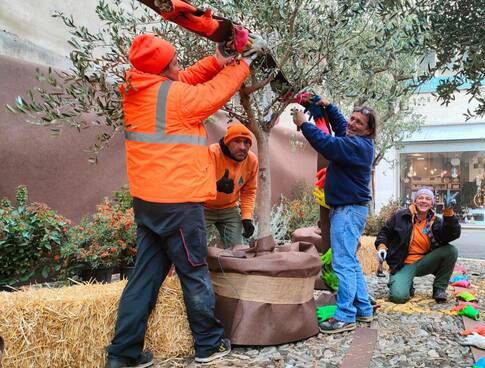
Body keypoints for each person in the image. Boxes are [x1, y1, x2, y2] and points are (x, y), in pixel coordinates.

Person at [106, 33, 263, 368]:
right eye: (174, 62)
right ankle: (208, 343)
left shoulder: (137, 89)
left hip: (149, 203)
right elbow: (213, 93)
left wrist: (217, 60)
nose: (180, 66)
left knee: (144, 278)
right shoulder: (175, 98)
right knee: (194, 272)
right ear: (161, 71)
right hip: (179, 204)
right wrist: (242, 64)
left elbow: (183, 79)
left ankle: (123, 354)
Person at [293, 97, 376, 334]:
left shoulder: (357, 146)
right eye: (352, 118)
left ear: (368, 129)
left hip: (348, 211)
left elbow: (327, 144)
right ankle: (363, 309)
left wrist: (304, 124)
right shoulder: (355, 139)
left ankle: (345, 316)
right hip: (349, 209)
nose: (352, 123)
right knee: (349, 261)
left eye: (359, 122)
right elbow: (341, 126)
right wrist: (329, 107)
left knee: (342, 263)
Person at [375, 187, 461, 304]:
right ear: (415, 201)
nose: (423, 201)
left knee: (451, 251)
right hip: (403, 263)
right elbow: (384, 233)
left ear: (432, 203)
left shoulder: (435, 221)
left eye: (428, 199)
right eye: (420, 198)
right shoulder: (401, 216)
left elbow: (452, 235)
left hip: (425, 261)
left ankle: (439, 289)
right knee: (398, 298)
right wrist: (381, 247)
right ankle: (406, 284)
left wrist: (448, 212)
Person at [204, 123, 258, 247]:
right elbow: (196, 182)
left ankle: (228, 266)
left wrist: (247, 218)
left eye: (246, 142)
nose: (242, 147)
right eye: (237, 141)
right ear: (228, 142)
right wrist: (216, 185)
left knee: (237, 249)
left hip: (229, 208)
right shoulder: (212, 153)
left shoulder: (252, 161)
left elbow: (249, 191)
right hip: (204, 207)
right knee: (197, 248)